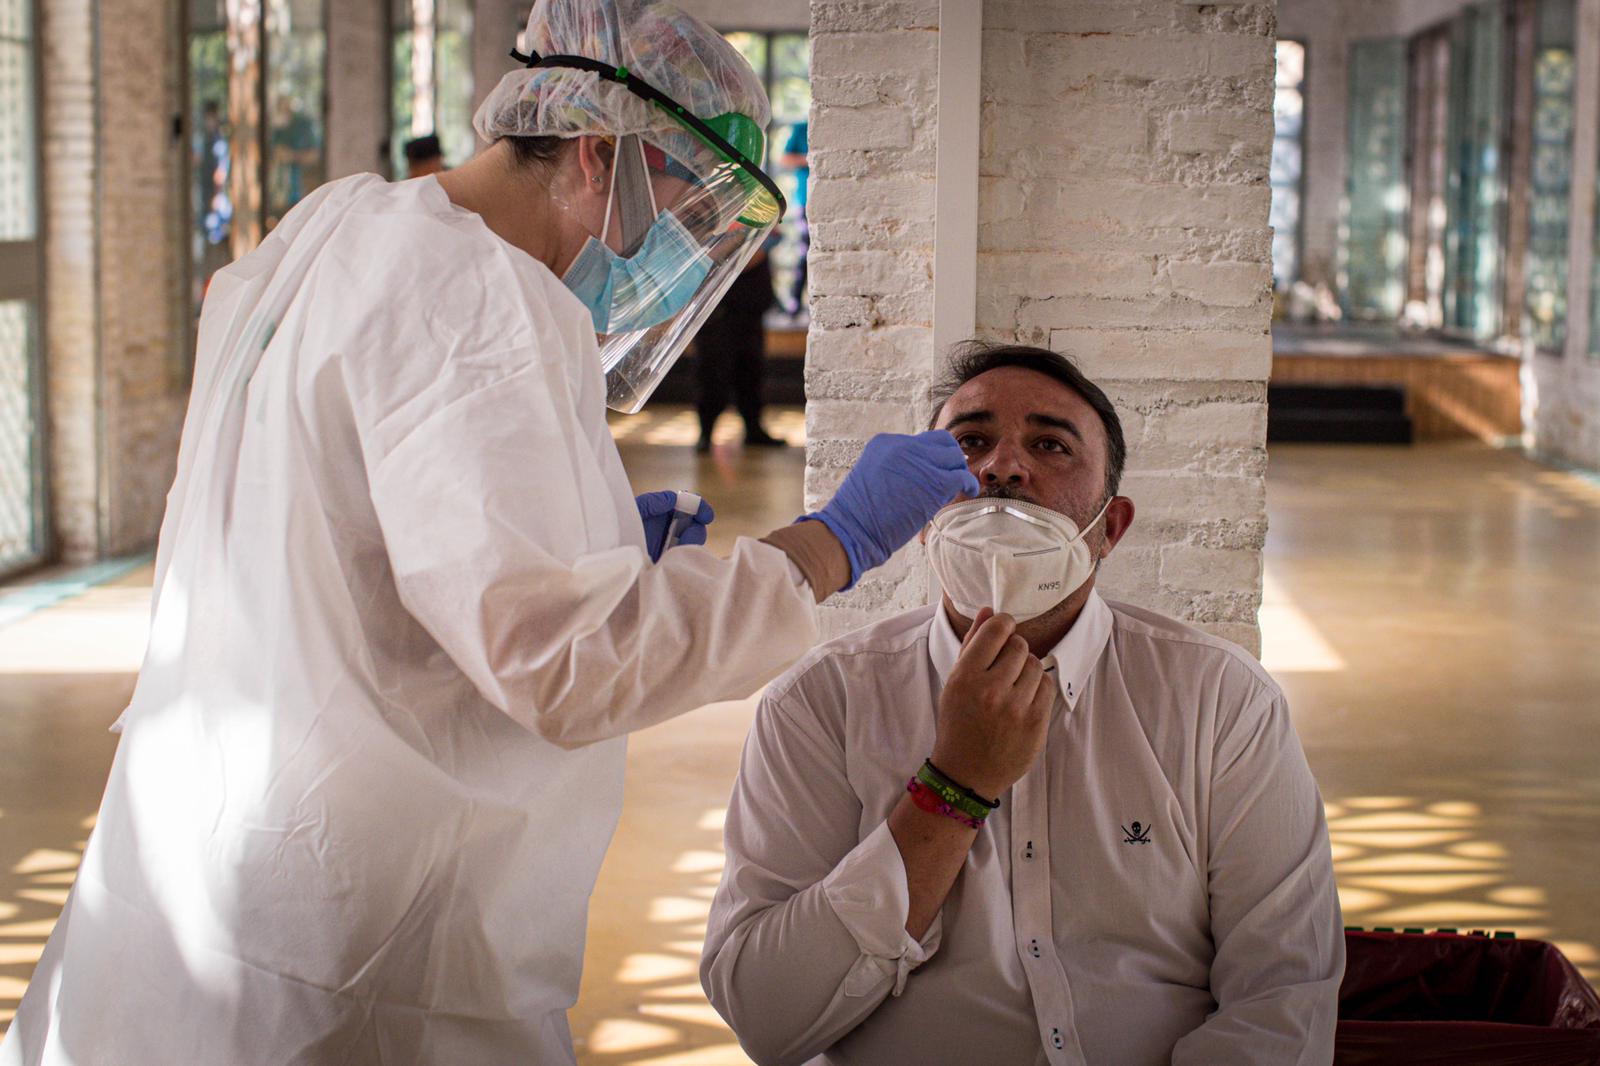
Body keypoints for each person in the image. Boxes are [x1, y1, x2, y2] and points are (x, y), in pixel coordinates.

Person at [0, 4, 978, 1064]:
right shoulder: (477, 296)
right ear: (602, 154)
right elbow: (567, 664)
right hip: (359, 931)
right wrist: (832, 542)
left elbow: (339, 516)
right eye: (679, 214)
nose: (668, 259)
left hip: (194, 857)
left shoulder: (339, 228)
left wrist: (584, 529)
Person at [702, 343, 1345, 1066]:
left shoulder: (1222, 703)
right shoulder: (820, 704)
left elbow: (1284, 1001)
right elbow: (765, 1014)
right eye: (971, 442)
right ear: (920, 514)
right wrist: (952, 790)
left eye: (1050, 445)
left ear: (1110, 528)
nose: (1003, 467)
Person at [693, 233, 786, 452]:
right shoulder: (715, 223)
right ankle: (706, 432)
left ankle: (753, 428)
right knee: (712, 373)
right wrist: (752, 246)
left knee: (751, 371)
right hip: (718, 313)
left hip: (749, 309)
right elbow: (717, 258)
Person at [778, 119, 808, 317]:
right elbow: (785, 159)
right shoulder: (800, 128)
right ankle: (794, 303)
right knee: (805, 251)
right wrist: (812, 159)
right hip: (806, 201)